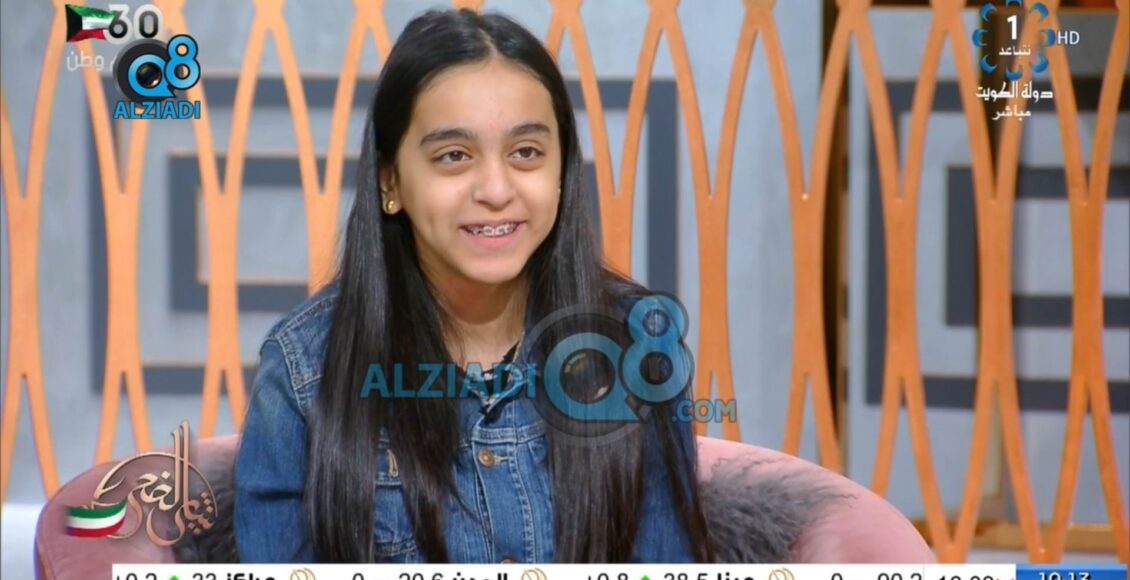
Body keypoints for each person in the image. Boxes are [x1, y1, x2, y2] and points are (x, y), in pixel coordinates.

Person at [233, 7, 713, 564]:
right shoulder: (303, 371)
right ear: (391, 182)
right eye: (454, 156)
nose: (496, 189)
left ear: (562, 170)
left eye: (526, 152)